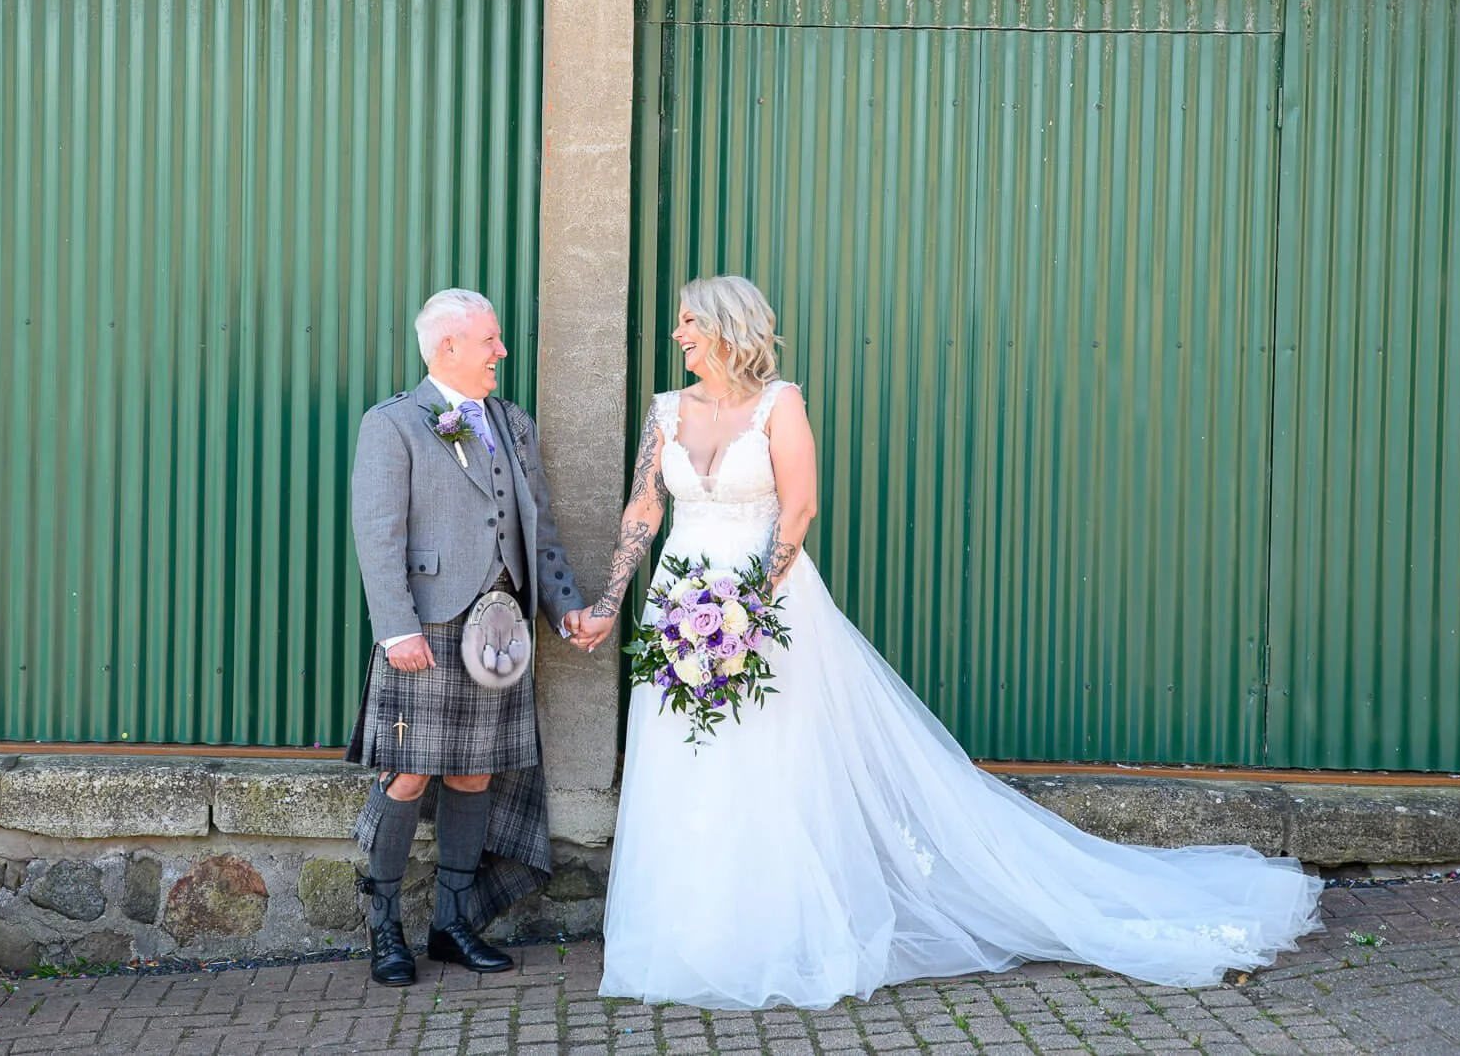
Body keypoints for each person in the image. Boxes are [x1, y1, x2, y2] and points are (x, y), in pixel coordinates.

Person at [577, 275, 1324, 1009]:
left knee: (772, 761)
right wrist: (613, 599)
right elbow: (645, 506)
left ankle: (773, 935)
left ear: (726, 327)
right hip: (680, 607)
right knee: (689, 760)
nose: (677, 334)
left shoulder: (781, 402)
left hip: (765, 608)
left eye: (687, 322)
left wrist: (747, 614)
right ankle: (692, 938)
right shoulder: (667, 410)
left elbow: (798, 509)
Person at [346, 287, 594, 987]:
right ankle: (384, 927)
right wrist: (395, 628)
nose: (502, 352)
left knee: (474, 770)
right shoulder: (393, 423)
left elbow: (538, 526)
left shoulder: (512, 423)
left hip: (500, 633)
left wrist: (564, 606)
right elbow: (378, 531)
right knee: (409, 772)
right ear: (446, 346)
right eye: (490, 340)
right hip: (425, 626)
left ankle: (452, 924)